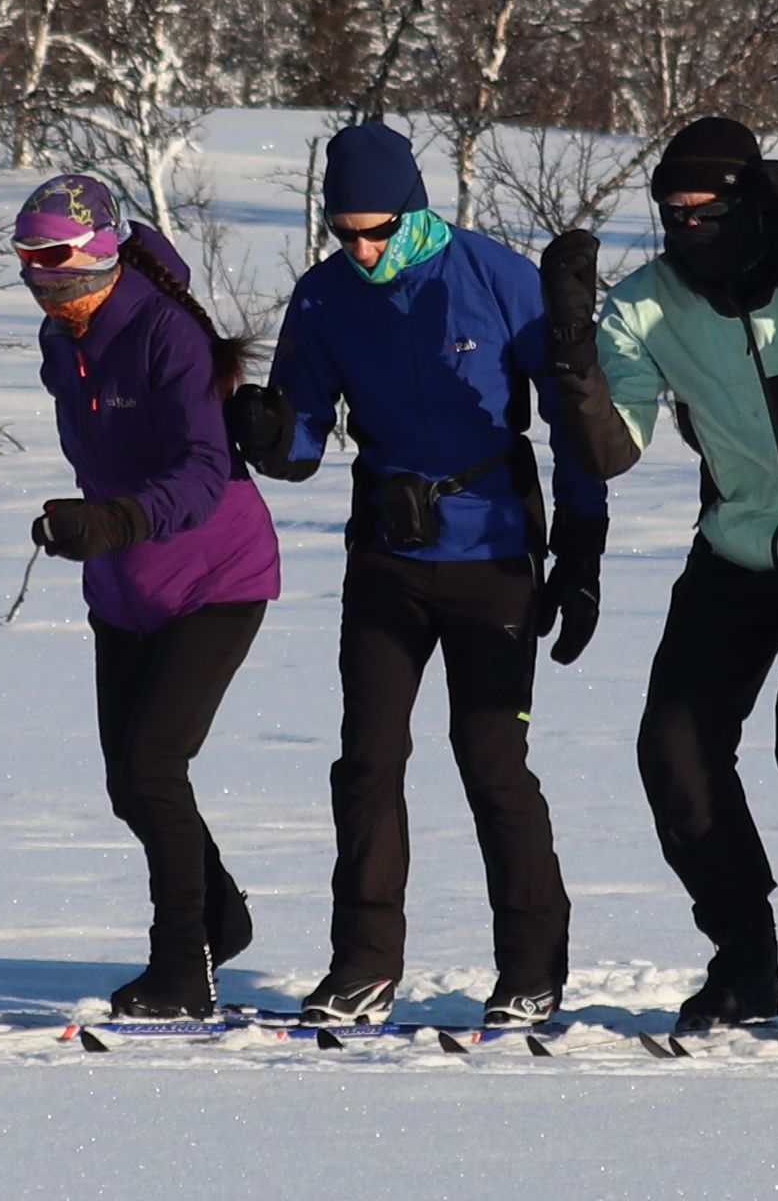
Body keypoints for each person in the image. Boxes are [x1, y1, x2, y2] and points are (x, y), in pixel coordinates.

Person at [546, 113, 778, 1035]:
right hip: (736, 552)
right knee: (674, 751)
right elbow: (612, 451)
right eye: (671, 211)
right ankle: (744, 960)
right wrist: (574, 351)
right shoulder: (645, 304)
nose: (688, 226)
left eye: (707, 208)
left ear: (748, 198)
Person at [255, 117, 597, 1027]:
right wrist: (266, 434)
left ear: (416, 208)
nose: (363, 249)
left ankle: (532, 965)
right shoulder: (324, 298)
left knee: (490, 760)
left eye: (379, 229)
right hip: (387, 556)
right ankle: (364, 965)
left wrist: (584, 548)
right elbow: (299, 444)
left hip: (494, 555)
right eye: (345, 232)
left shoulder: (496, 276)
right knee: (367, 761)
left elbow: (573, 422)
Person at [14, 169, 286, 1019]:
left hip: (217, 577)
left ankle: (183, 970)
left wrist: (118, 521)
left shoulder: (168, 334)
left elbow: (206, 471)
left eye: (54, 259)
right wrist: (84, 527)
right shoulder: (63, 339)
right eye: (25, 260)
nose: (39, 278)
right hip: (125, 587)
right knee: (127, 785)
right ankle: (221, 916)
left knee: (155, 766)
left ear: (101, 253)